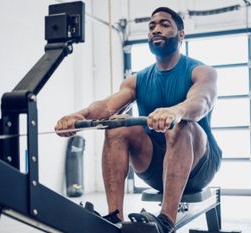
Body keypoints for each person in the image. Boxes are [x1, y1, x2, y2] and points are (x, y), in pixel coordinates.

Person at [55, 7, 222, 233]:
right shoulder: (137, 80)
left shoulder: (202, 72)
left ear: (181, 34)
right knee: (117, 125)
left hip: (199, 166)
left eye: (164, 24)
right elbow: (107, 106)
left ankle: (166, 221)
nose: (155, 30)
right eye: (151, 26)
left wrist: (176, 112)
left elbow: (201, 102)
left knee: (180, 127)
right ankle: (114, 217)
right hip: (155, 168)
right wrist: (79, 116)